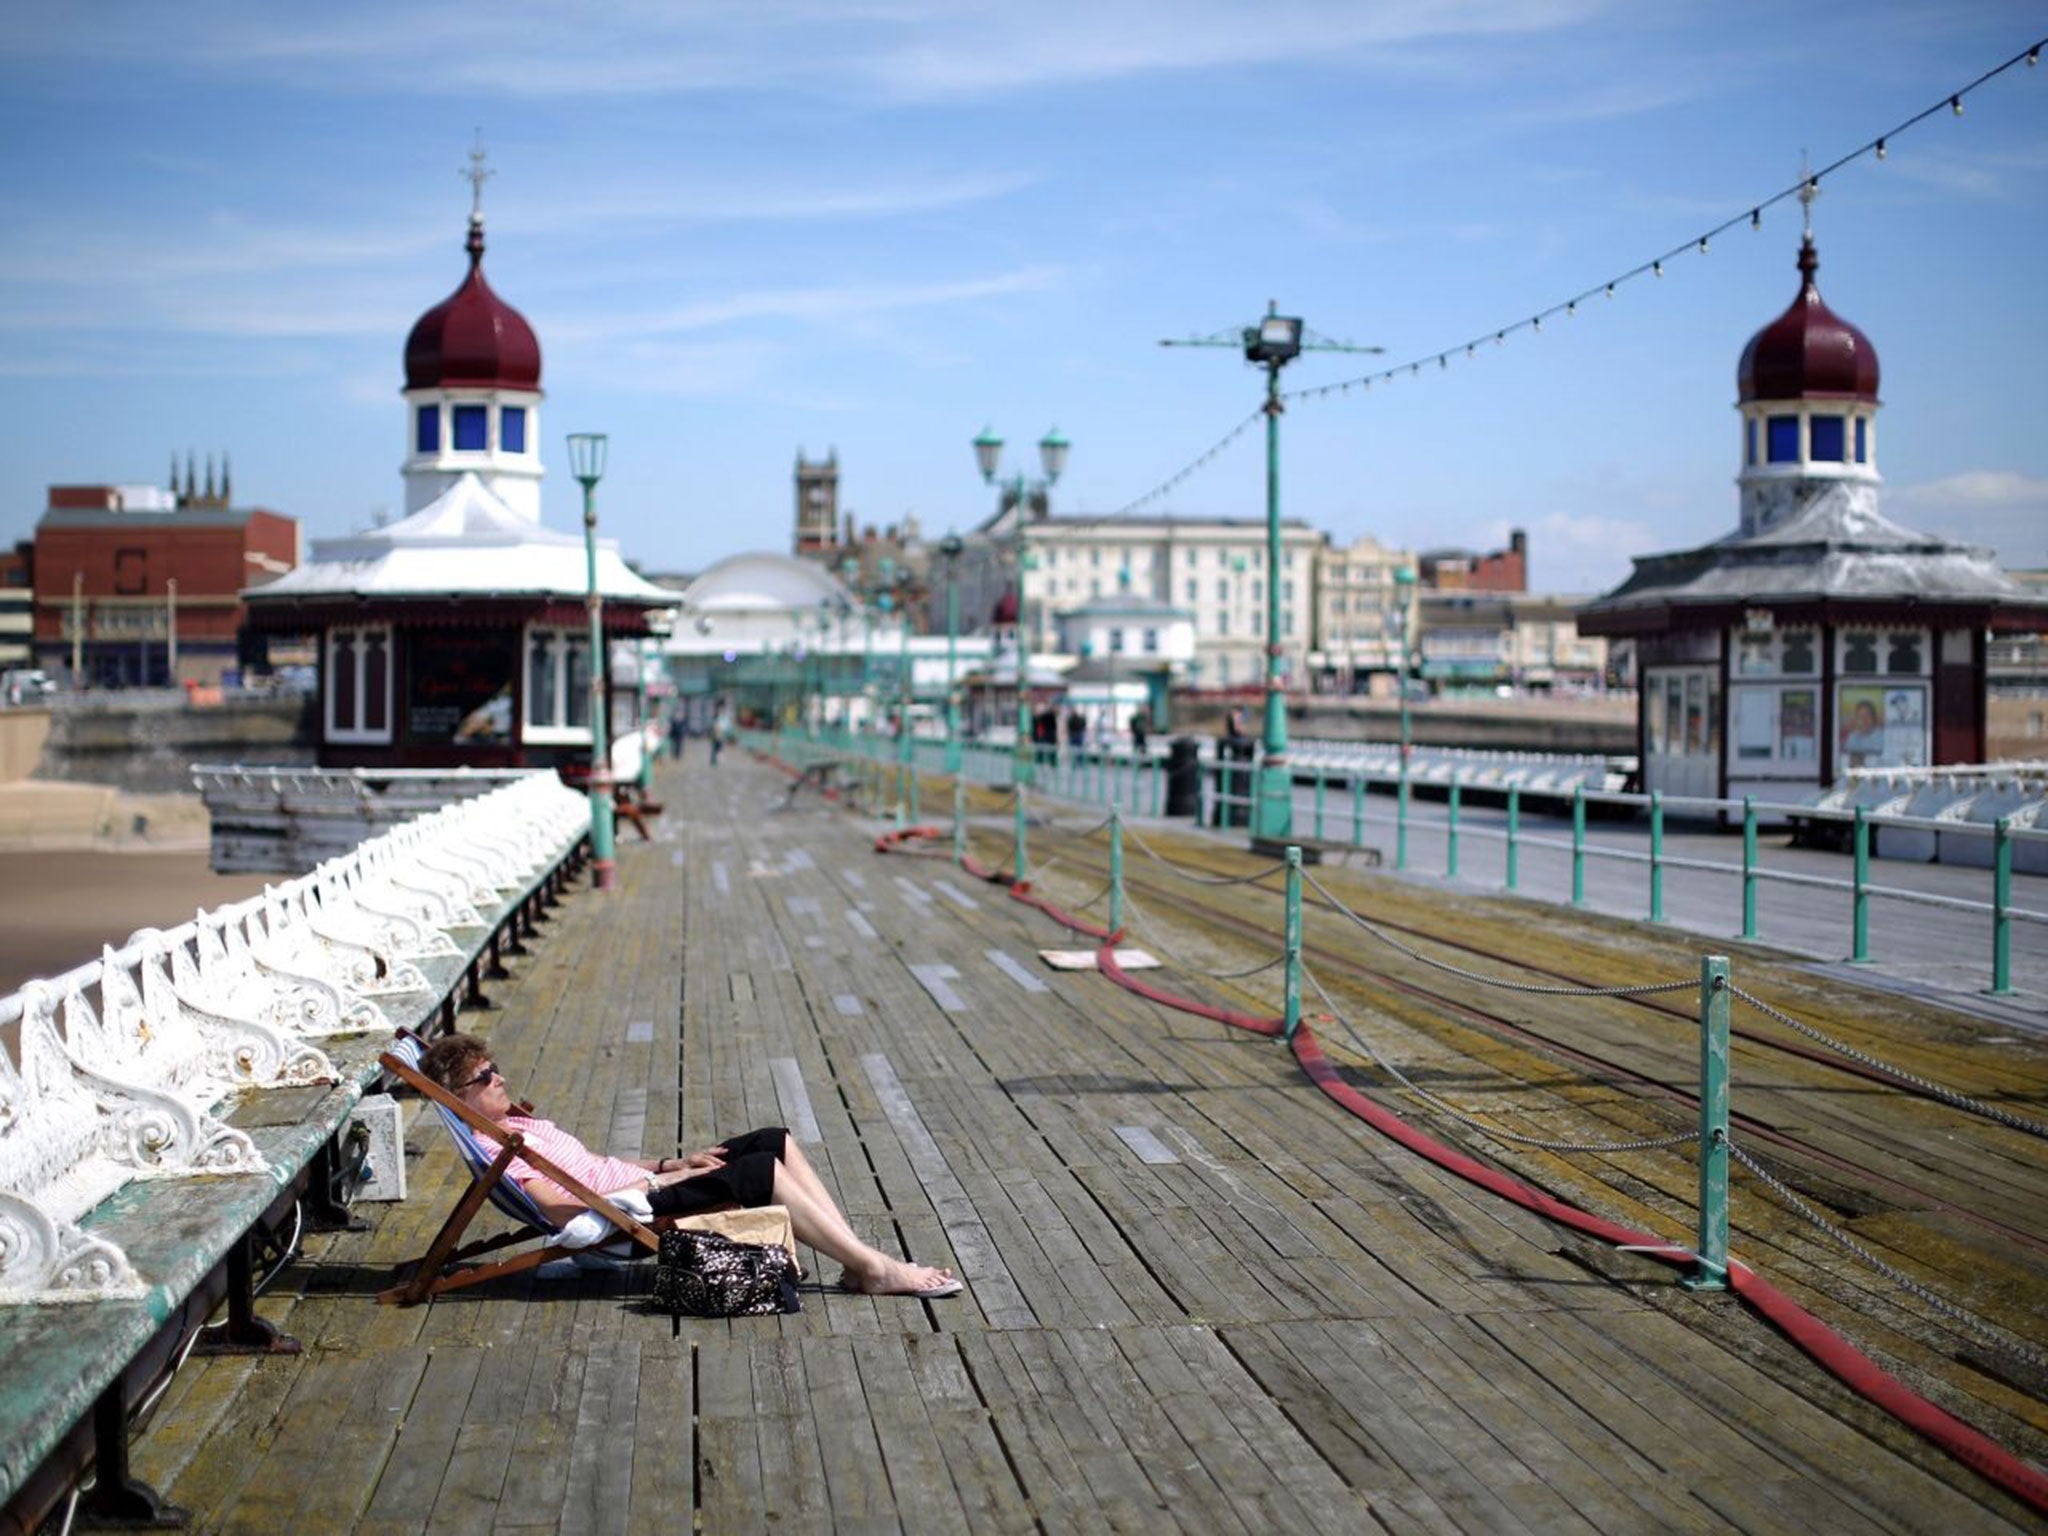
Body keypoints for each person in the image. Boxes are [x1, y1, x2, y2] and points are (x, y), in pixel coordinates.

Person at [419, 1033, 960, 1297]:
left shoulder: (514, 1125)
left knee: (773, 1139)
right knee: (758, 1174)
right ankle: (875, 1270)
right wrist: (664, 1179)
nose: (499, 1078)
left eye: (494, 1068)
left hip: (646, 1184)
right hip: (630, 1212)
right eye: (485, 1077)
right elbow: (563, 1207)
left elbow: (594, 1163)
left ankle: (855, 1259)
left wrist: (672, 1160)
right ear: (459, 1097)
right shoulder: (498, 1151)